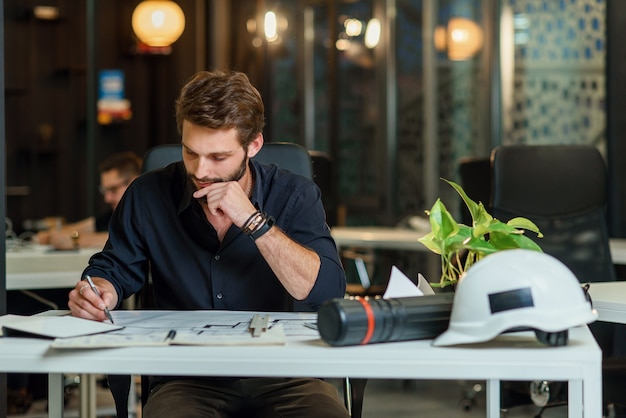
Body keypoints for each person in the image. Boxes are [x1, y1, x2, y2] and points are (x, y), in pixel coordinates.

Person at [68, 70, 349, 418]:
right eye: (190, 152)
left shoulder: (295, 194)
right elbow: (114, 268)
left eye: (218, 157)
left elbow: (325, 292)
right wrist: (100, 291)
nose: (201, 170)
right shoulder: (148, 194)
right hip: (186, 377)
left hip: (287, 372)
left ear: (253, 145)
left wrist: (253, 221)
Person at [35, 151, 142, 250]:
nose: (107, 198)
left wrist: (74, 240)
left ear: (134, 182)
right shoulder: (117, 214)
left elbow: (131, 239)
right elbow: (89, 226)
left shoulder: (149, 212)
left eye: (113, 189)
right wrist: (51, 234)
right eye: (104, 191)